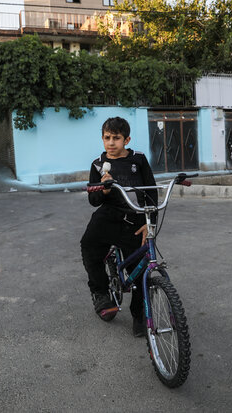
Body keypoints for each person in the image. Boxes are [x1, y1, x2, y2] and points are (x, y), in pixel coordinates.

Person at [80, 117, 158, 337]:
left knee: (141, 270)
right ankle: (101, 293)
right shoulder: (98, 164)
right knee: (89, 246)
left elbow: (151, 193)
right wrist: (102, 190)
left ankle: (140, 315)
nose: (111, 143)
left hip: (136, 220)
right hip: (109, 216)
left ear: (127, 139)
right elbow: (93, 201)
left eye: (116, 138)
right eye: (107, 138)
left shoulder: (139, 160)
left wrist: (149, 223)